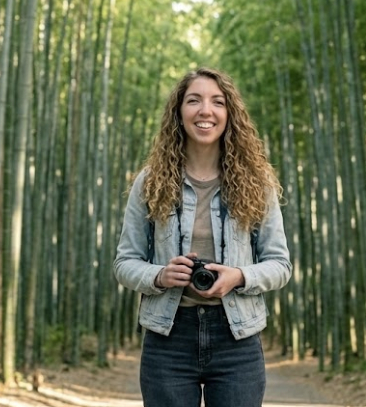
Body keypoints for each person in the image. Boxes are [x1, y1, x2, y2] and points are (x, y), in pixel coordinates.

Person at [114, 67, 292, 407]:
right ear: (179, 113)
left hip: (236, 339)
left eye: (217, 102)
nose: (205, 111)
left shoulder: (257, 183)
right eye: (194, 100)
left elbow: (280, 264)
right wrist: (160, 275)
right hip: (168, 339)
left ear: (229, 114)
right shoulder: (150, 182)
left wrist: (239, 276)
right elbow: (125, 262)